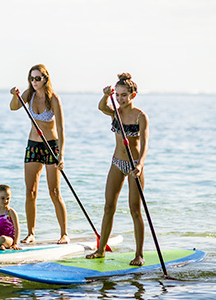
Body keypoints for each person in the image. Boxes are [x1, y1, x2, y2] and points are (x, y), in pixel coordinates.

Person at [86, 73, 149, 266]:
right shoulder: (116, 112)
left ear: (133, 95)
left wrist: (139, 165)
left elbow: (145, 144)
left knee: (135, 210)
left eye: (124, 95)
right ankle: (100, 250)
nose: (120, 99)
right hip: (116, 163)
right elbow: (101, 107)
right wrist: (106, 95)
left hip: (134, 166)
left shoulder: (140, 116)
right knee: (108, 207)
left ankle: (139, 255)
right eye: (118, 95)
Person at [9, 64, 69, 244]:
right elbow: (13, 108)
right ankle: (31, 233)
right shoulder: (29, 94)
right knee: (31, 191)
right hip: (33, 146)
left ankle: (64, 233)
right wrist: (14, 96)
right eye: (31, 78)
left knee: (54, 191)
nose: (34, 82)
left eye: (37, 78)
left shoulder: (54, 100)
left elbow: (60, 128)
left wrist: (62, 155)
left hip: (51, 146)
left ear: (45, 78)